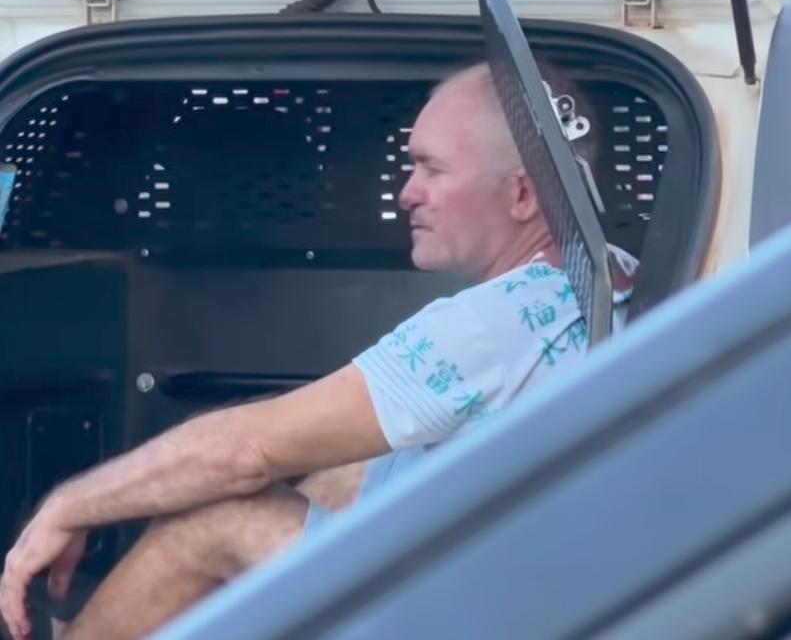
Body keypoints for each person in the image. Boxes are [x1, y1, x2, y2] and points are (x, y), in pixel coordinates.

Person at [0, 63, 589, 640]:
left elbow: (244, 452)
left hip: (456, 613)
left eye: (430, 169)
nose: (406, 193)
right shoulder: (599, 280)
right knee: (353, 463)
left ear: (521, 195)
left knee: (211, 516)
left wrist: (69, 506)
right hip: (499, 580)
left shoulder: (488, 325)